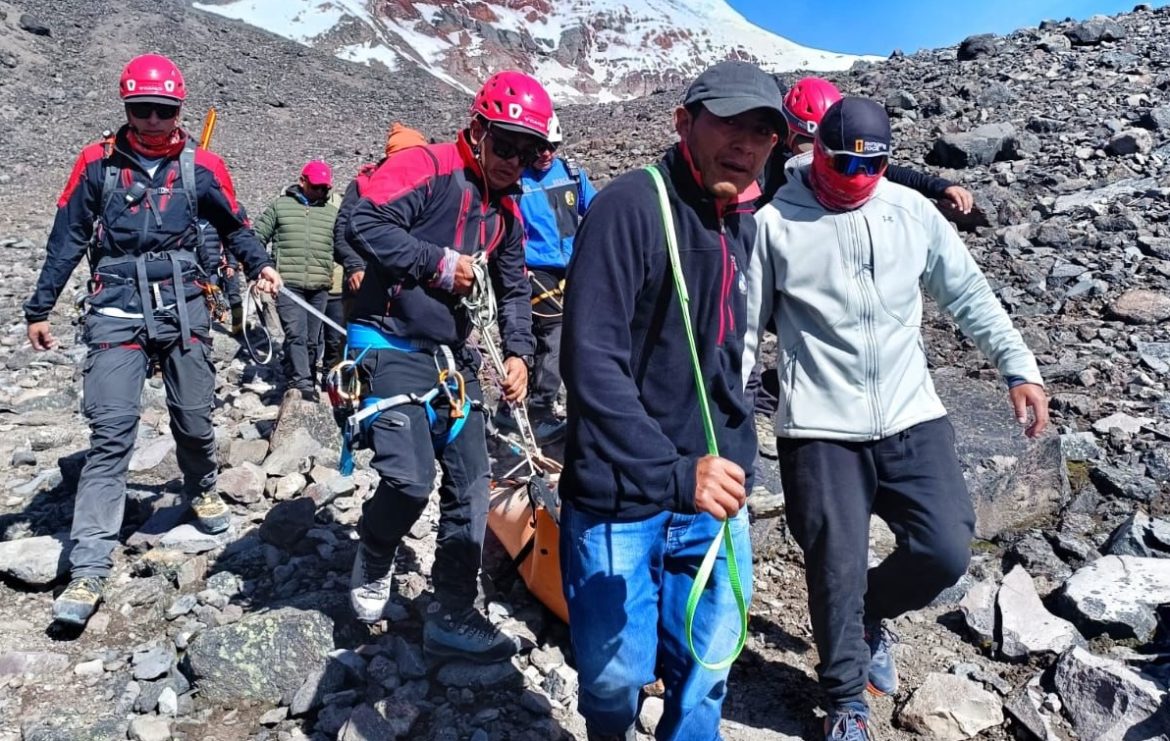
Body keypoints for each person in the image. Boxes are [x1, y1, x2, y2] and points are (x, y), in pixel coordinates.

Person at [744, 97, 1049, 740]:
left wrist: (1019, 369)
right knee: (835, 565)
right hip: (820, 428)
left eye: (869, 168)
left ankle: (868, 614)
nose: (853, 180)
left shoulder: (911, 212)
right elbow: (745, 333)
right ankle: (847, 702)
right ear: (815, 150)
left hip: (912, 413)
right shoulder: (775, 224)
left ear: (885, 163)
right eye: (839, 165)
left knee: (944, 549)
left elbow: (967, 294)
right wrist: (723, 417)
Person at [559, 60, 781, 740]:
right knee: (613, 676)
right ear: (683, 122)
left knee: (709, 666)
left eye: (762, 132)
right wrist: (672, 470)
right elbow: (591, 362)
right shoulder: (629, 207)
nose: (745, 145)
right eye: (729, 125)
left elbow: (733, 357)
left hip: (716, 493)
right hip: (622, 496)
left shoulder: (743, 222)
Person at [23, 53, 281, 627]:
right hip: (116, 305)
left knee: (194, 415)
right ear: (126, 106)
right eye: (141, 109)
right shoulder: (97, 164)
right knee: (111, 432)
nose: (153, 121)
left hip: (185, 303)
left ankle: (201, 485)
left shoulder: (203, 166)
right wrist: (40, 307)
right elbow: (65, 236)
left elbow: (235, 224)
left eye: (163, 110)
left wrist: (259, 263)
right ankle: (89, 567)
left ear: (178, 108)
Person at [343, 71, 545, 663]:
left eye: (528, 151)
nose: (515, 160)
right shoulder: (427, 166)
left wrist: (517, 354)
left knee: (472, 486)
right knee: (409, 480)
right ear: (478, 129)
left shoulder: (506, 212)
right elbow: (364, 222)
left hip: (451, 360)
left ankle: (453, 609)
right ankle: (376, 548)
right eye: (506, 144)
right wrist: (437, 265)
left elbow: (512, 291)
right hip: (386, 340)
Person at [749, 76, 976, 461]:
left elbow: (888, 173)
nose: (812, 157)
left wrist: (937, 186)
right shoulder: (766, 165)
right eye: (806, 144)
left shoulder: (842, 157)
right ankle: (758, 399)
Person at [493, 111, 596, 443]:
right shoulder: (517, 181)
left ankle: (511, 410)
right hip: (535, 270)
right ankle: (538, 411)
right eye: (539, 147)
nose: (545, 153)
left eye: (552, 146)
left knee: (552, 339)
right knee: (554, 336)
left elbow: (594, 211)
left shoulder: (572, 174)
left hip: (572, 268)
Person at [252, 160, 338, 400]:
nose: (321, 192)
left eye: (325, 189)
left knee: (313, 339)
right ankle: (302, 384)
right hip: (288, 285)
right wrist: (261, 269)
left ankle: (305, 375)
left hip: (320, 286)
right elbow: (256, 237)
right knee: (296, 334)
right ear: (302, 182)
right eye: (316, 187)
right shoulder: (280, 207)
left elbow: (342, 247)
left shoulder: (332, 214)